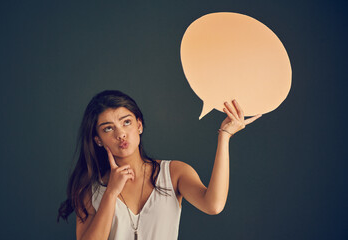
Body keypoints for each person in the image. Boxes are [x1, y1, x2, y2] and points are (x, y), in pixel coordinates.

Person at [57, 90, 262, 240]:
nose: (120, 133)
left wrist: (224, 137)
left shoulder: (174, 172)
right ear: (98, 140)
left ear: (139, 125)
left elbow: (213, 205)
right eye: (108, 128)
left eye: (126, 122)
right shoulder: (89, 189)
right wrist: (110, 193)